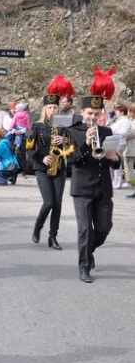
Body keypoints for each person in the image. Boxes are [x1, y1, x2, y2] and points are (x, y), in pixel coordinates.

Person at [66, 92, 121, 283]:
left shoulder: (107, 132)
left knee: (104, 228)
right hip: (82, 189)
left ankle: (88, 250)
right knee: (84, 230)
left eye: (97, 114)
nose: (93, 117)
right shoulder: (72, 132)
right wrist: (86, 144)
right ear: (82, 112)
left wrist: (114, 157)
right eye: (90, 113)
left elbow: (115, 163)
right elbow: (71, 160)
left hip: (103, 188)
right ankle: (84, 267)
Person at [30, 93, 69, 249]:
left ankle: (53, 236)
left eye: (55, 107)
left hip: (59, 167)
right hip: (42, 168)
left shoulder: (64, 127)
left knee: (58, 204)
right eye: (50, 107)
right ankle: (38, 226)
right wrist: (42, 158)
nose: (53, 110)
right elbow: (29, 149)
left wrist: (65, 142)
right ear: (45, 109)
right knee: (48, 203)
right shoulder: (36, 126)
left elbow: (72, 148)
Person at [110, 105, 131, 189]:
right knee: (112, 162)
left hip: (119, 143)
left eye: (117, 111)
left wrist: (112, 131)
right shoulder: (117, 121)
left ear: (122, 112)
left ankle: (118, 182)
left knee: (117, 163)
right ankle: (113, 181)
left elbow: (123, 132)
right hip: (113, 142)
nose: (115, 112)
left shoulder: (125, 121)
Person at [124, 105, 135, 198]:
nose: (127, 113)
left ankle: (129, 183)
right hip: (129, 147)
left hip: (132, 147)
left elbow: (132, 132)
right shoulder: (131, 121)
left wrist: (122, 133)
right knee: (128, 166)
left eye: (129, 111)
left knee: (130, 167)